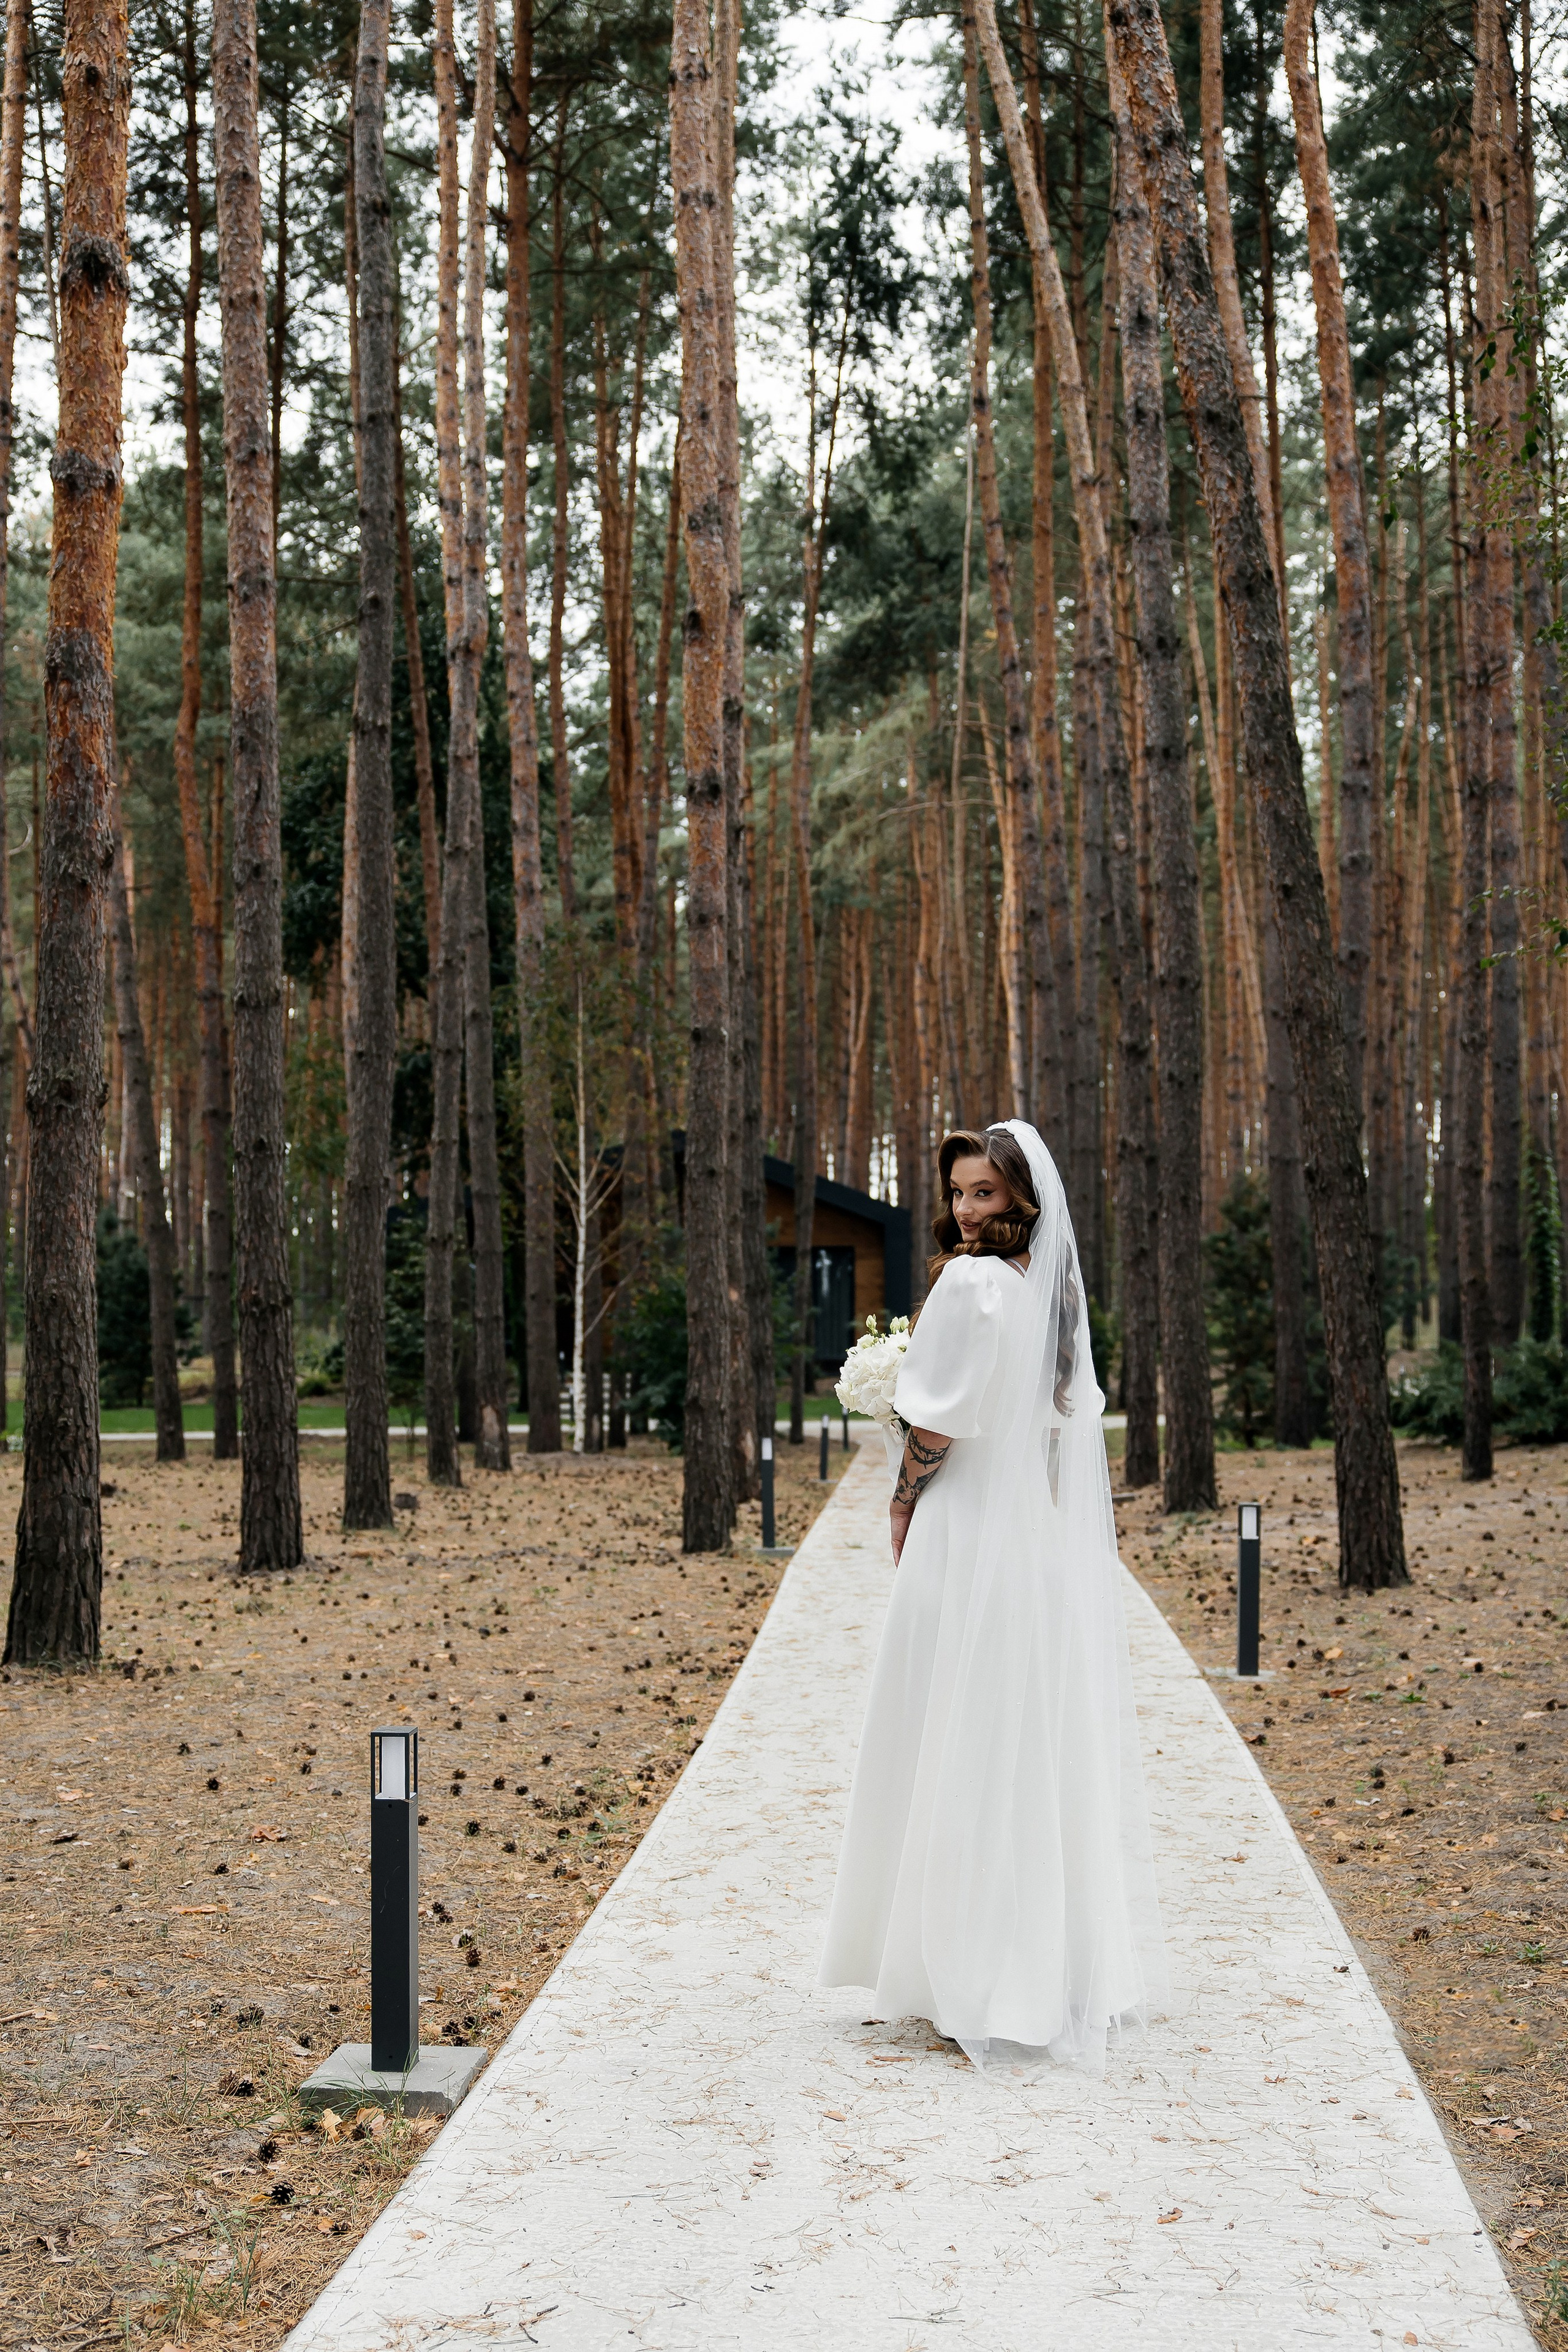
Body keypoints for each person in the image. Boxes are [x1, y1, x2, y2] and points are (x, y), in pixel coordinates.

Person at [818, 1119, 1166, 2073]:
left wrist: (900, 1496)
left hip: (963, 1528)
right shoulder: (1040, 1293)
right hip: (1024, 1534)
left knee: (948, 1728)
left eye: (985, 1193)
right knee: (1014, 1737)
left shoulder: (970, 1284)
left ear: (1020, 1199)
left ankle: (957, 1970)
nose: (967, 1210)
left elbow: (938, 1425)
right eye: (960, 1192)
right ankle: (1032, 1963)